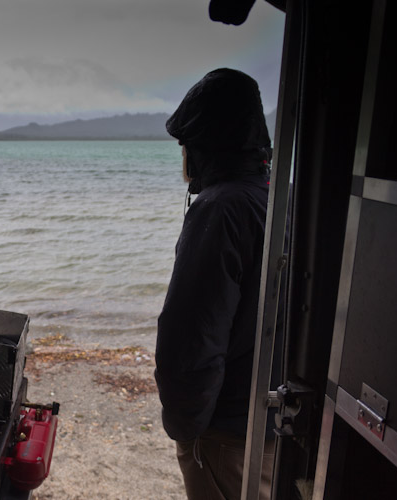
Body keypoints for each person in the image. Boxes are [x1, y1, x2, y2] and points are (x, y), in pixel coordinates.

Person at [154, 68, 276, 500]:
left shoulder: (221, 209)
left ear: (202, 146)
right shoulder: (279, 198)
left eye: (184, 144)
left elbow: (191, 334)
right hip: (275, 424)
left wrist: (187, 430)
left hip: (227, 435)